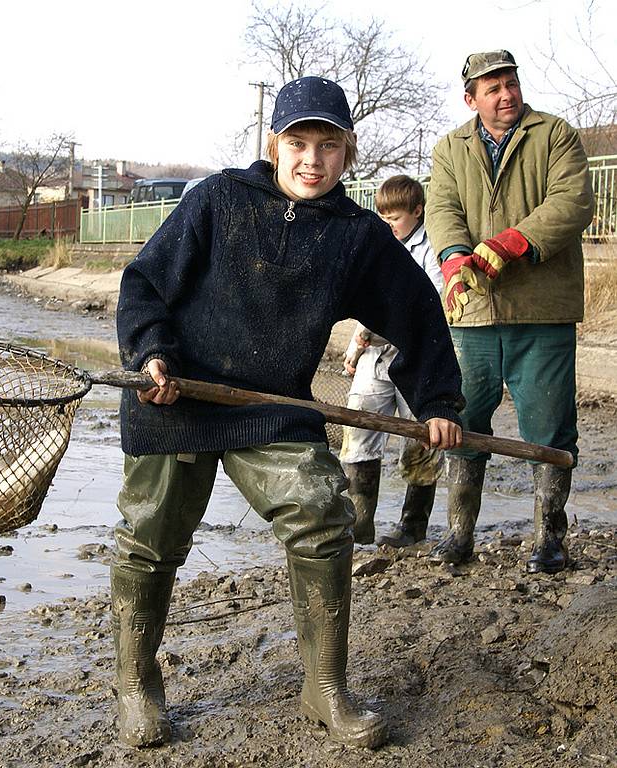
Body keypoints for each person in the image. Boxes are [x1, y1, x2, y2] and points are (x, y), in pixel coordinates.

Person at [112, 76, 464, 751]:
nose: (311, 160)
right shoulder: (217, 200)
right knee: (150, 537)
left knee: (322, 516)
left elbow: (417, 314)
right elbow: (144, 284)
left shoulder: (356, 236)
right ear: (274, 144)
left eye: (327, 146)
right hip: (177, 396)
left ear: (347, 153)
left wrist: (439, 403)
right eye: (297, 143)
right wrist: (152, 355)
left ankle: (323, 688)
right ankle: (136, 686)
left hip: (270, 407)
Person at [425, 50, 594, 573]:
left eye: (511, 83)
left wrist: (513, 242)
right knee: (463, 422)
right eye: (492, 88)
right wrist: (453, 259)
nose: (506, 94)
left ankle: (549, 537)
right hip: (474, 314)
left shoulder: (555, 134)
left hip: (541, 311)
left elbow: (572, 202)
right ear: (471, 98)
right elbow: (442, 208)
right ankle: (459, 533)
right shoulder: (450, 148)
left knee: (549, 426)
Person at [341, 175, 445, 548]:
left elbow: (430, 307)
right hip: (374, 352)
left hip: (415, 355)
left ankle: (413, 525)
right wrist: (356, 346)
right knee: (358, 427)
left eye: (395, 219)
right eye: (382, 219)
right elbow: (365, 302)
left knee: (420, 437)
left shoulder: (431, 251)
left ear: (417, 212)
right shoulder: (377, 248)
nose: (388, 226)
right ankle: (360, 521)